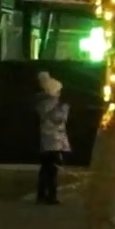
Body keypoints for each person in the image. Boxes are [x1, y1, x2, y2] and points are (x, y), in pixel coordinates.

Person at [35, 72, 70, 205]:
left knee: (45, 169)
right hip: (54, 141)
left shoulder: (42, 104)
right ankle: (51, 196)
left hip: (47, 141)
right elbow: (58, 120)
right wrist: (64, 109)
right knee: (52, 170)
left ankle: (42, 194)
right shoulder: (53, 106)